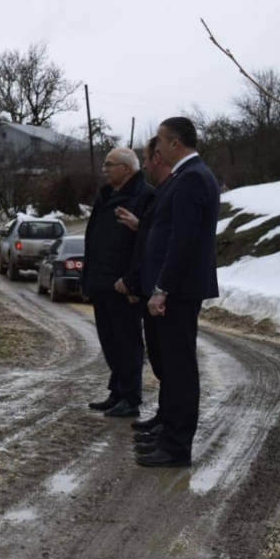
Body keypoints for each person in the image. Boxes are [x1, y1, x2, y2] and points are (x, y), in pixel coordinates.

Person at [133, 117, 220, 468]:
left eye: (161, 140)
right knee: (173, 365)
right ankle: (169, 433)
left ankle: (177, 446)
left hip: (180, 292)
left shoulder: (193, 178)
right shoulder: (187, 177)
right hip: (178, 289)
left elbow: (182, 241)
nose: (157, 147)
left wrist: (162, 288)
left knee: (181, 370)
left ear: (175, 143)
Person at [83, 147, 155, 418]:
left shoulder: (145, 196)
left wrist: (133, 282)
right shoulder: (106, 197)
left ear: (126, 168)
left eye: (109, 164)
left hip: (124, 287)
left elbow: (146, 247)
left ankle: (131, 397)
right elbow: (93, 240)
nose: (104, 169)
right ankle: (117, 391)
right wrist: (88, 280)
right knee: (110, 342)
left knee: (128, 343)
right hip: (102, 283)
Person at [116, 137, 170, 441]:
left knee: (171, 364)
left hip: (164, 290)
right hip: (152, 286)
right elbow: (153, 240)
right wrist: (141, 226)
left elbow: (171, 245)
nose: (146, 164)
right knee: (162, 362)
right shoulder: (163, 191)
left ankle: (172, 429)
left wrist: (145, 284)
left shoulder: (171, 189)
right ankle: (164, 418)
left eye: (148, 158)